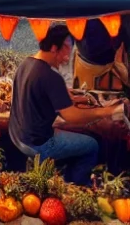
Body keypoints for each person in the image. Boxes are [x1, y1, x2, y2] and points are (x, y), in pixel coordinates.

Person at [8, 23, 122, 185]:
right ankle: (77, 186)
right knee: (92, 144)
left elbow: (42, 93)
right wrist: (105, 111)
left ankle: (66, 177)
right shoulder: (50, 77)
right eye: (67, 49)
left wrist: (69, 96)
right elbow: (71, 116)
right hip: (39, 144)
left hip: (18, 136)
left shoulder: (26, 64)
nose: (68, 57)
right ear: (54, 48)